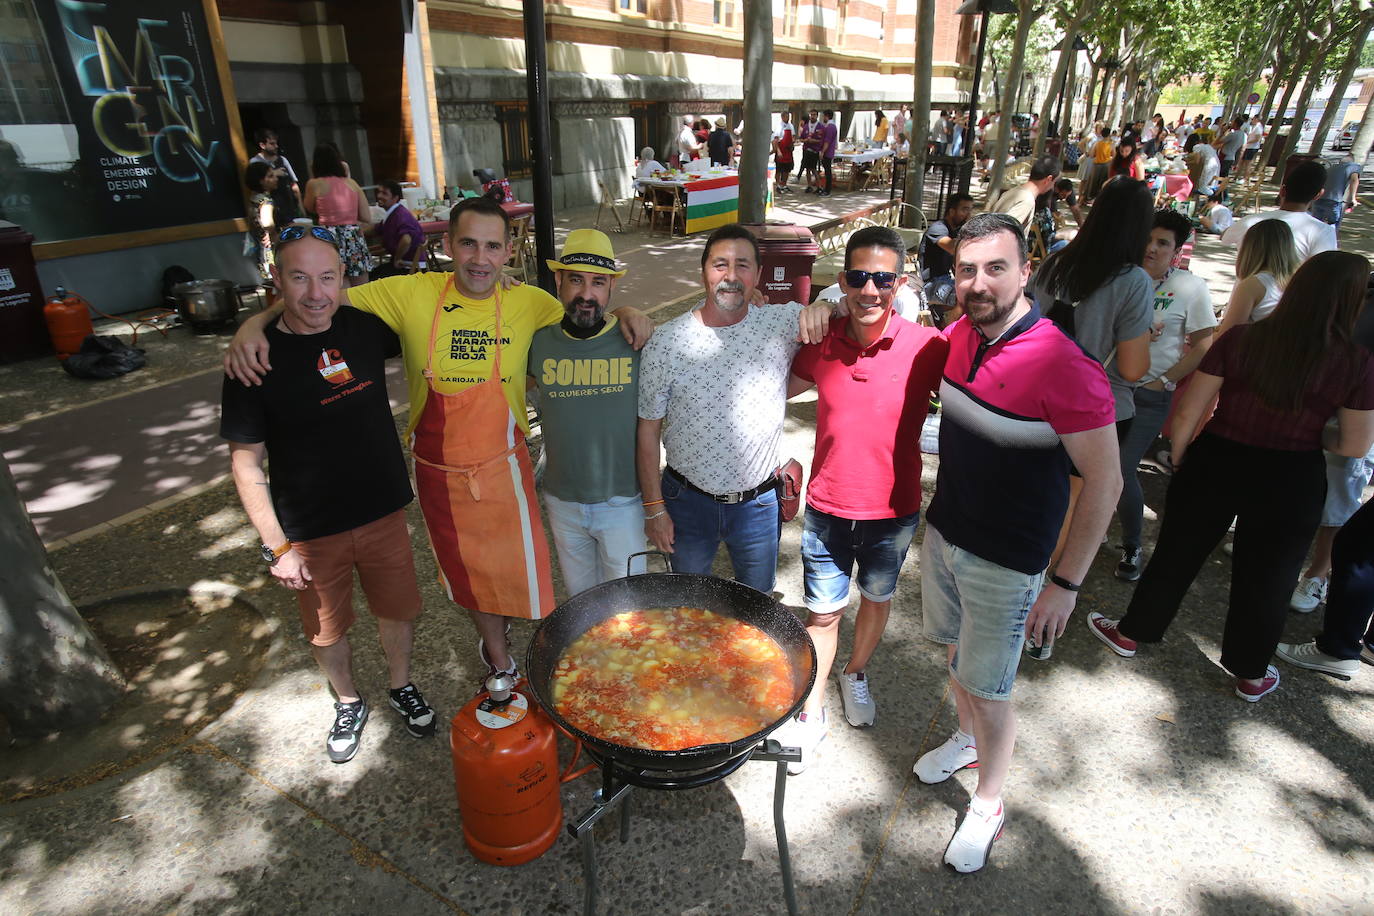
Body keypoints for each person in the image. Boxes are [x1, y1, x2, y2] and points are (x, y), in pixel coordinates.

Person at [225, 198, 655, 683]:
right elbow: (317, 296)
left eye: (492, 246)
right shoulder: (408, 293)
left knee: (519, 577)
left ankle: (550, 649)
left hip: (505, 467)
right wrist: (250, 325)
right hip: (439, 472)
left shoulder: (531, 303)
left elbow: (584, 318)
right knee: (469, 578)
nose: (479, 258)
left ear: (507, 252)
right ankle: (498, 656)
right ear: (447, 245)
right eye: (468, 243)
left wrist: (628, 308)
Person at [914, 213, 1121, 873]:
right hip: (946, 533)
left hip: (1008, 562)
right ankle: (966, 739)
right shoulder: (955, 338)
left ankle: (989, 803)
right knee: (957, 657)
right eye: (966, 269)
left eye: (995, 267)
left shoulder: (1066, 365)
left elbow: (1107, 482)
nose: (978, 282)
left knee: (992, 685)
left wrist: (1064, 584)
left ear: (1027, 271)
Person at [1089, 251, 1374, 703]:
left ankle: (1132, 632)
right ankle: (1251, 672)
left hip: (1219, 457)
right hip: (1293, 472)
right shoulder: (1355, 362)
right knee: (1271, 575)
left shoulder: (1242, 338)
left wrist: (1180, 454)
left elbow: (1189, 409)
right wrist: (1313, 431)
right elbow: (1356, 444)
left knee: (1176, 552)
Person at [220, 226, 436, 763]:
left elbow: (438, 307)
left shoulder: (363, 327)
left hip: (383, 510)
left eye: (327, 277)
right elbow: (245, 464)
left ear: (343, 278)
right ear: (277, 280)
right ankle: (347, 699)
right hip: (310, 529)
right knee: (325, 630)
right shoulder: (254, 360)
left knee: (398, 612)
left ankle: (400, 684)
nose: (315, 293)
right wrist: (278, 546)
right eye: (299, 277)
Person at [775, 227, 949, 773]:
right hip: (826, 506)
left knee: (876, 599)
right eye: (857, 277)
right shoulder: (822, 342)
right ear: (842, 281)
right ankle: (814, 704)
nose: (869, 289)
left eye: (882, 278)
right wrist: (805, 314)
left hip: (893, 512)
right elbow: (769, 385)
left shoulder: (929, 348)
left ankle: (856, 673)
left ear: (900, 282)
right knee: (822, 616)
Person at [635, 224, 829, 593]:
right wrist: (654, 508)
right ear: (704, 272)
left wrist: (825, 305)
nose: (731, 276)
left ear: (757, 275)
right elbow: (647, 431)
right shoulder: (667, 343)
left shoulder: (782, 322)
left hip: (757, 505)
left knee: (757, 609)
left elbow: (839, 315)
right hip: (686, 501)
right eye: (720, 264)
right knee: (689, 606)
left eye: (742, 265)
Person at [528, 230, 647, 596]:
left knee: (630, 607)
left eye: (598, 283)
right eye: (576, 280)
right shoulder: (537, 341)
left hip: (623, 500)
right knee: (582, 604)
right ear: (559, 281)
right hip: (562, 499)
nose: (586, 294)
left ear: (611, 288)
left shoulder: (635, 341)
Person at [1114, 210, 1217, 581]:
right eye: (1148, 239)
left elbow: (1206, 345)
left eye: (1163, 243)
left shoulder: (1190, 287)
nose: (1152, 249)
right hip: (1109, 389)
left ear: (1176, 251)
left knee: (1121, 470)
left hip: (1148, 397)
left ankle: (1132, 543)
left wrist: (1166, 380)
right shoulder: (1121, 277)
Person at [1221, 160, 1336, 260]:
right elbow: (1323, 269)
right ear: (1318, 195)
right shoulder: (1323, 232)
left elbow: (1225, 237)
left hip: (1246, 285)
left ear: (1282, 190)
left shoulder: (1250, 221)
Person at [1214, 219, 1299, 338]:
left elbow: (1226, 337)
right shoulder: (1300, 280)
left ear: (1249, 248)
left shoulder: (1254, 285)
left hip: (1259, 352)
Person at [303, 143, 372, 286]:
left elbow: (309, 207)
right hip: (353, 235)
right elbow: (366, 216)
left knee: (337, 283)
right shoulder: (352, 183)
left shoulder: (314, 184)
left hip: (329, 236)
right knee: (362, 286)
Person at [922, 192, 974, 325]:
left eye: (970, 209)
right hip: (928, 284)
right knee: (964, 298)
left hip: (945, 280)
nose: (968, 214)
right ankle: (949, 335)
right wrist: (971, 229)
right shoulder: (938, 228)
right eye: (964, 209)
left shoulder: (955, 231)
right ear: (951, 211)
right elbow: (952, 247)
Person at [370, 179, 425, 280]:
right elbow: (375, 229)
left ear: (395, 198)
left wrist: (397, 258)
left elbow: (406, 240)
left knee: (371, 279)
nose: (379, 196)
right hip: (404, 264)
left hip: (408, 267)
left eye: (384, 193)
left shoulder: (400, 215)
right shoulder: (393, 213)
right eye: (379, 192)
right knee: (372, 274)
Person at [990, 154, 1060, 230]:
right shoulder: (1027, 200)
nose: (1052, 187)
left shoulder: (1012, 192)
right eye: (1054, 182)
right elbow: (1005, 232)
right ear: (1048, 179)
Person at [250, 127, 302, 223]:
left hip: (288, 207)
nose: (276, 146)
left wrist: (301, 208)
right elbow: (254, 185)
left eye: (276, 143)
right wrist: (275, 173)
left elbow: (294, 185)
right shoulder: (254, 162)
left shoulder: (282, 160)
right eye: (272, 144)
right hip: (269, 208)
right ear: (262, 145)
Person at [1310, 152, 1361, 236]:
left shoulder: (1332, 167)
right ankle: (1330, 243)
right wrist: (1353, 198)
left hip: (1319, 198)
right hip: (1333, 199)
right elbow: (1354, 180)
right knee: (1332, 224)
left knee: (1316, 223)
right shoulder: (1353, 166)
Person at [243, 161, 277, 284]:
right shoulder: (266, 200)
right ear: (261, 181)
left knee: (266, 279)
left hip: (257, 244)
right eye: (270, 176)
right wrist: (272, 234)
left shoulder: (253, 198)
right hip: (268, 246)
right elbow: (267, 222)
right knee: (275, 278)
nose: (275, 179)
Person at [814, 110, 839, 196]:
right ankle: (825, 188)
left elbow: (827, 141)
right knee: (827, 170)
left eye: (824, 116)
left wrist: (823, 152)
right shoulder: (829, 126)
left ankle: (827, 190)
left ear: (827, 116)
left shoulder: (830, 127)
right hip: (828, 151)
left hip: (827, 152)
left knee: (827, 171)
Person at [772, 112, 796, 193]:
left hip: (788, 151)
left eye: (788, 116)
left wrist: (792, 144)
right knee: (779, 169)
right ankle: (778, 185)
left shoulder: (791, 126)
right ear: (782, 117)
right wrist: (778, 151)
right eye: (786, 116)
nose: (787, 118)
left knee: (787, 169)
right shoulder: (779, 126)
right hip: (781, 151)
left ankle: (784, 185)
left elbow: (793, 137)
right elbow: (775, 140)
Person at [799, 110, 822, 193]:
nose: (812, 116)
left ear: (817, 116)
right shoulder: (806, 126)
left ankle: (819, 186)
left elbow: (821, 140)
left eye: (814, 115)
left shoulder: (820, 126)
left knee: (813, 169)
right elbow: (801, 138)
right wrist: (805, 140)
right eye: (811, 115)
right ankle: (809, 185)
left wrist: (813, 141)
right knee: (807, 169)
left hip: (814, 151)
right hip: (806, 150)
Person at [1238, 114, 1265, 182]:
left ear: (1256, 119)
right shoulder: (1253, 126)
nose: (1252, 120)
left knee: (1248, 163)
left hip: (1252, 147)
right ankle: (1237, 176)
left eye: (1253, 119)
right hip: (1248, 146)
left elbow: (1257, 139)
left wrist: (1248, 142)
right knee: (1242, 162)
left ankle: (1245, 178)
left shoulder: (1258, 127)